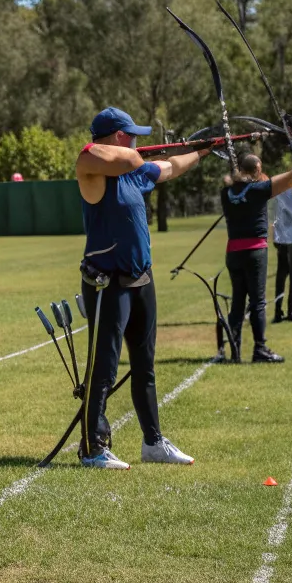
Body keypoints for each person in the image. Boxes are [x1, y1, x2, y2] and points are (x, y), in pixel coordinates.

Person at [74, 107, 209, 470]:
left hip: (141, 281)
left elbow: (170, 166)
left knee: (144, 366)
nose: (137, 140)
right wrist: (137, 155)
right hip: (107, 285)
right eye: (131, 133)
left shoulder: (135, 174)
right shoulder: (90, 167)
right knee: (103, 368)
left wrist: (202, 149)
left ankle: (153, 442)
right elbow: (92, 153)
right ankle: (92, 448)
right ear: (117, 136)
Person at [221, 153, 292, 363]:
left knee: (237, 302)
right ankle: (259, 349)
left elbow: (235, 183)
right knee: (258, 302)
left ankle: (234, 349)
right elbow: (291, 178)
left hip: (233, 252)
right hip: (254, 252)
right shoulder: (258, 190)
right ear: (256, 170)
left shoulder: (226, 193)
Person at [272, 187, 292, 324]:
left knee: (281, 276)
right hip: (290, 239)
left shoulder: (283, 189)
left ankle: (278, 312)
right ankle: (289, 311)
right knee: (291, 275)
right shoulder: (290, 189)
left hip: (282, 238)